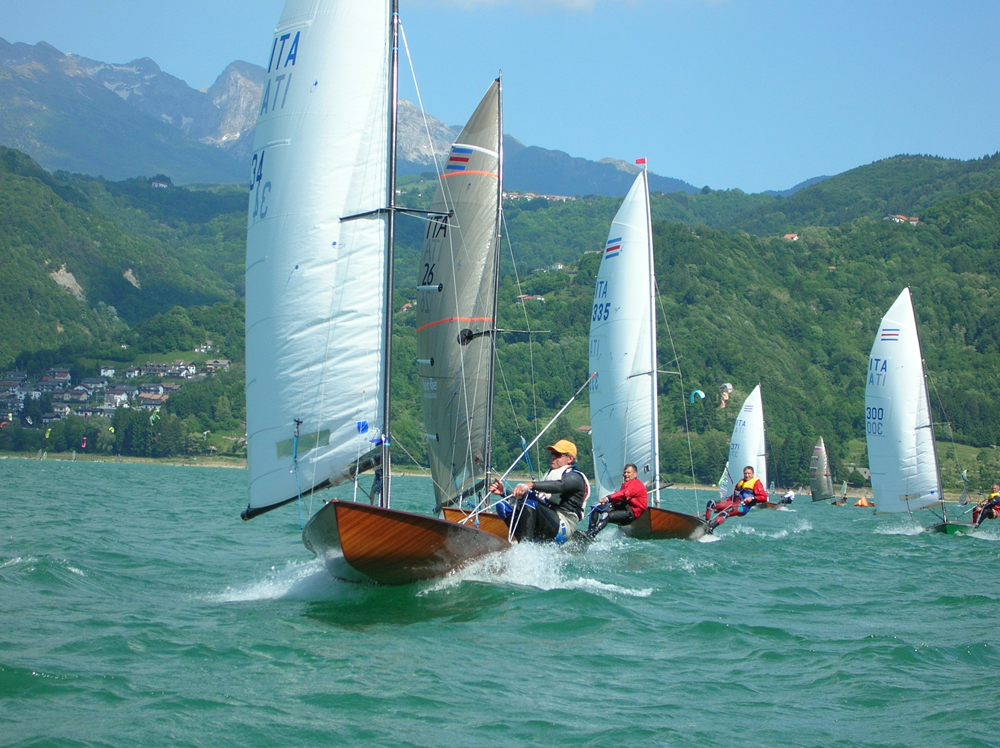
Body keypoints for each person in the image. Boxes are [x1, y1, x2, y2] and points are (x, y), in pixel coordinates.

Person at [490, 439, 590, 544]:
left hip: (563, 526)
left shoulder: (575, 477)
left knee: (529, 496)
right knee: (504, 507)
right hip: (546, 521)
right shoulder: (551, 474)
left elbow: (560, 486)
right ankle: (521, 545)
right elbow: (531, 501)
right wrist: (504, 492)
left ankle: (526, 546)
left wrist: (531, 485)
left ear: (570, 459)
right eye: (552, 454)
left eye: (558, 455)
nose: (553, 457)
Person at [587, 463, 648, 539]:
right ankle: (589, 531)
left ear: (635, 474)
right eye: (624, 472)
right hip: (622, 508)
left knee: (606, 515)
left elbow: (624, 494)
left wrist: (608, 498)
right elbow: (620, 498)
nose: (626, 474)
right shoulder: (626, 484)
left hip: (630, 514)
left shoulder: (636, 484)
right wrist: (608, 502)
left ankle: (592, 534)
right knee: (595, 507)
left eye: (628, 472)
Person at [705, 465, 769, 532]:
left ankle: (710, 528)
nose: (747, 475)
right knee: (711, 503)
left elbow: (764, 497)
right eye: (745, 473)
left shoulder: (757, 483)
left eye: (749, 473)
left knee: (727, 511)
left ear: (753, 474)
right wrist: (721, 508)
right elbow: (733, 497)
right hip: (734, 504)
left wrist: (752, 498)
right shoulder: (740, 483)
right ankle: (706, 523)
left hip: (744, 507)